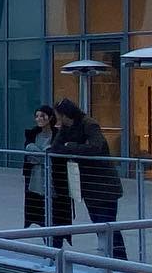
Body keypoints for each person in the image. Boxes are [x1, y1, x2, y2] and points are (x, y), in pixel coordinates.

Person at [54, 97, 125, 258]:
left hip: (104, 184)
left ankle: (120, 258)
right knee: (98, 224)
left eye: (59, 116)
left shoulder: (89, 124)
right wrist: (72, 147)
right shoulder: (66, 128)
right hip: (87, 184)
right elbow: (56, 147)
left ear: (65, 114)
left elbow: (96, 147)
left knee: (107, 224)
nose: (58, 120)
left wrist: (71, 147)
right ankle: (109, 257)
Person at [21, 106, 70, 242]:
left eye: (42, 116)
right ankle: (48, 245)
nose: (39, 119)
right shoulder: (32, 135)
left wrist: (37, 153)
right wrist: (43, 155)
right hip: (36, 183)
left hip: (54, 183)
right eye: (37, 116)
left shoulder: (58, 135)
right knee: (40, 214)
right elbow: (30, 156)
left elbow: (55, 156)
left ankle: (55, 246)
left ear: (50, 117)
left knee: (56, 216)